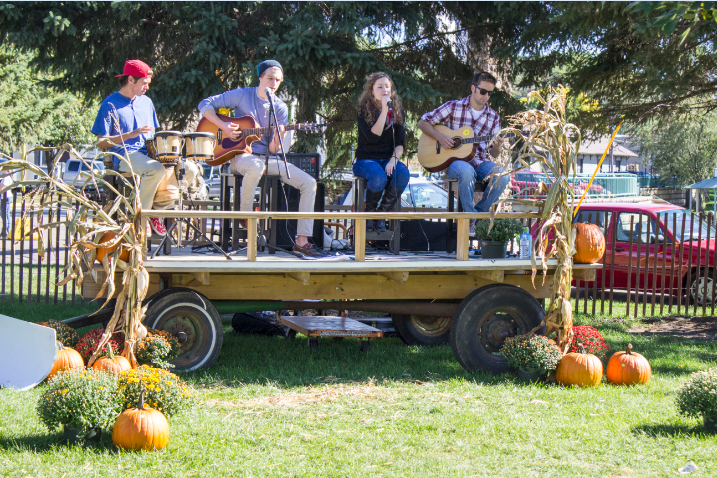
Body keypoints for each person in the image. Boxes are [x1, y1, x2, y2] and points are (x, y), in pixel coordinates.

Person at [197, 59, 320, 256]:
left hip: (266, 159)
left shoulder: (280, 108)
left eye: (278, 80)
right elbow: (204, 104)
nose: (274, 83)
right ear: (260, 77)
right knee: (255, 166)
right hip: (240, 157)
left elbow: (272, 149)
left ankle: (302, 240)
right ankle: (244, 216)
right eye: (270, 78)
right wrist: (223, 126)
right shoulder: (242, 95)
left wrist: (279, 137)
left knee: (309, 183)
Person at [91, 59, 200, 236]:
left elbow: (153, 135)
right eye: (144, 83)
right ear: (131, 80)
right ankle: (141, 217)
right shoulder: (109, 104)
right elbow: (101, 142)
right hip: (125, 155)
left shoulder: (146, 102)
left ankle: (155, 209)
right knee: (155, 169)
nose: (147, 87)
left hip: (151, 154)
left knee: (189, 169)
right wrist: (129, 135)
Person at [417, 71, 510, 234]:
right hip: (455, 162)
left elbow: (494, 154)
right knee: (466, 171)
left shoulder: (493, 117)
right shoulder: (453, 106)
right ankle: (469, 219)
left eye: (490, 93)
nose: (486, 96)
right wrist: (440, 137)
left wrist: (497, 145)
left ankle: (477, 216)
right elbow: (423, 122)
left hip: (480, 162)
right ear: (473, 88)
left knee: (503, 176)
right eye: (483, 91)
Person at [353, 72, 409, 232]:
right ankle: (369, 214)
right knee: (378, 176)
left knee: (403, 174)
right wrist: (384, 111)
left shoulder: (398, 111)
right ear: (371, 91)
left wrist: (394, 159)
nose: (384, 90)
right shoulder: (363, 110)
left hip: (387, 158)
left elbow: (400, 143)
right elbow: (372, 138)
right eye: (380, 87)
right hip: (366, 160)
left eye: (387, 86)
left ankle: (381, 214)